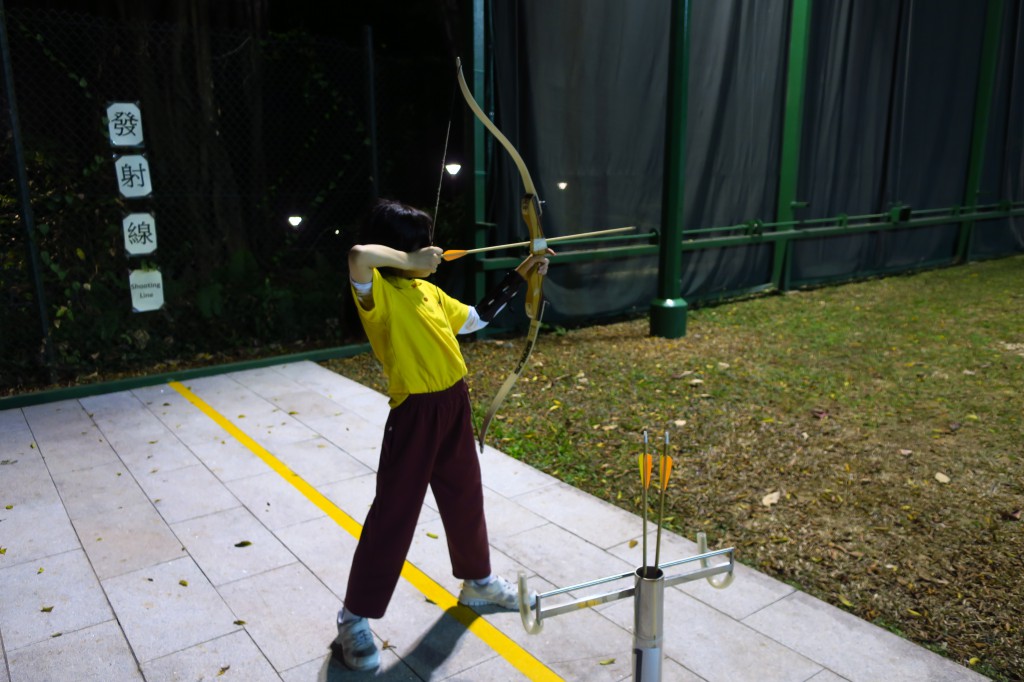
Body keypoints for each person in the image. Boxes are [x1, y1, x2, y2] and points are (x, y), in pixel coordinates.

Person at [335, 198, 549, 671]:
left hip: (454, 403)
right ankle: (353, 618)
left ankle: (478, 583)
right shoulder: (377, 295)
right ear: (400, 250)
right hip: (414, 414)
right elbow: (358, 255)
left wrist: (522, 275)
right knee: (394, 515)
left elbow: (474, 318)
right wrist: (410, 260)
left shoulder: (427, 292)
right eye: (420, 245)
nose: (431, 251)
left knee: (464, 496)